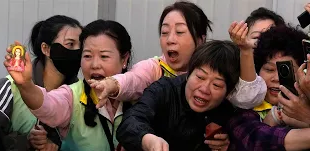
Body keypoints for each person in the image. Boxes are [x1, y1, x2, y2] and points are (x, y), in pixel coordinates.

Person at [3, 19, 133, 151]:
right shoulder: (71, 95)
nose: (94, 64)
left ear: (124, 59)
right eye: (87, 56)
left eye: (104, 56)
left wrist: (140, 143)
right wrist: (26, 85)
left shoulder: (137, 96)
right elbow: (47, 104)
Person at [88, 1, 266, 112]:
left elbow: (248, 98)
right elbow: (134, 79)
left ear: (200, 39)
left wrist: (245, 51)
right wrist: (112, 84)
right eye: (164, 32)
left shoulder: (219, 66)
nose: (170, 39)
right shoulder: (154, 69)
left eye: (180, 32)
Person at [117, 40, 240, 151]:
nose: (204, 89)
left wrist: (229, 147)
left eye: (217, 85)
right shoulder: (164, 90)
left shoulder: (228, 110)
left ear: (228, 92)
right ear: (189, 73)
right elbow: (131, 121)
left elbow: (249, 142)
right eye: (200, 77)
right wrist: (149, 141)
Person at [0, 15, 82, 151]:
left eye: (81, 46)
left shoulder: (80, 95)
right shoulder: (10, 87)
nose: (77, 51)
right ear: (46, 49)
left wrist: (55, 143)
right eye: (70, 44)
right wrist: (27, 141)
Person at [235, 25, 310, 151]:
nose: (276, 78)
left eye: (285, 70)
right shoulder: (243, 107)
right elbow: (254, 139)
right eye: (269, 70)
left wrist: (306, 116)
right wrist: (277, 116)